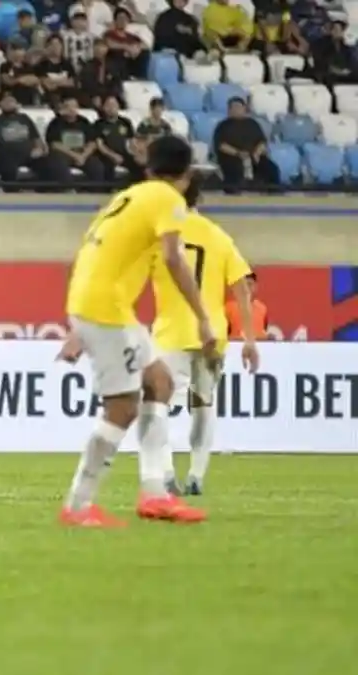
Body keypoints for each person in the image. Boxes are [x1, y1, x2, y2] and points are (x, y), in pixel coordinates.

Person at [56, 134, 212, 527]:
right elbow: (174, 259)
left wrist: (79, 323)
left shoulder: (127, 197)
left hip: (99, 304)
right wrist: (203, 316)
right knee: (122, 406)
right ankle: (78, 504)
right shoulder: (168, 199)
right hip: (106, 309)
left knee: (160, 382)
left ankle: (155, 494)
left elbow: (91, 255)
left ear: (149, 166)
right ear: (187, 172)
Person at [149, 179, 259, 497]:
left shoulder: (160, 236)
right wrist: (249, 339)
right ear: (199, 198)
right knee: (203, 404)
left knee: (157, 404)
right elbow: (242, 288)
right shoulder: (217, 235)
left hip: (171, 333)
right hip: (213, 336)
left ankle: (166, 472)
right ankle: (196, 474)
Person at [0, 92, 49, 188]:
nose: (9, 103)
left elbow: (36, 137)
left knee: (49, 162)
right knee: (7, 163)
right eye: (6, 101)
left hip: (30, 155)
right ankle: (12, 191)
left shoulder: (25, 118)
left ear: (16, 104)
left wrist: (39, 148)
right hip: (8, 156)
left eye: (11, 101)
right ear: (0, 104)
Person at [213, 97, 279, 189]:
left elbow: (262, 142)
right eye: (234, 107)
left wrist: (257, 153)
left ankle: (272, 190)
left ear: (244, 108)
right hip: (232, 157)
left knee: (271, 168)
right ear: (229, 110)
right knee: (235, 168)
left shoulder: (253, 124)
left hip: (254, 155)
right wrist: (238, 153)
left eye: (239, 107)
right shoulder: (223, 126)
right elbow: (221, 145)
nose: (237, 110)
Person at [46, 95, 105, 185]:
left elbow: (92, 142)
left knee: (96, 165)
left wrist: (83, 155)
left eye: (74, 106)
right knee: (58, 163)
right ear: (63, 108)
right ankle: (68, 189)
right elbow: (54, 144)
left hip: (82, 153)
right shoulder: (56, 123)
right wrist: (75, 155)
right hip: (65, 154)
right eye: (68, 107)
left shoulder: (84, 122)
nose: (72, 109)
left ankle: (95, 189)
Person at [93, 95, 142, 181]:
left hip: (124, 153)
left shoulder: (126, 122)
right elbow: (100, 145)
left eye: (114, 105)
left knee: (139, 164)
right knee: (106, 166)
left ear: (118, 106)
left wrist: (137, 153)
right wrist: (113, 156)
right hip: (106, 155)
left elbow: (132, 141)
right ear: (104, 108)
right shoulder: (98, 124)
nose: (111, 108)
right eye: (108, 105)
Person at [35, 35, 78, 108]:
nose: (56, 47)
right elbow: (47, 85)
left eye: (58, 44)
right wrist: (63, 82)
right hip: (50, 96)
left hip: (68, 95)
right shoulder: (41, 65)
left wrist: (55, 82)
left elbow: (72, 82)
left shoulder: (67, 64)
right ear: (47, 47)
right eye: (53, 45)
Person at [0, 42, 41, 107]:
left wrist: (18, 80)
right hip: (11, 94)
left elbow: (34, 80)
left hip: (28, 94)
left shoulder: (28, 66)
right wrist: (20, 80)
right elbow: (7, 81)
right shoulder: (5, 66)